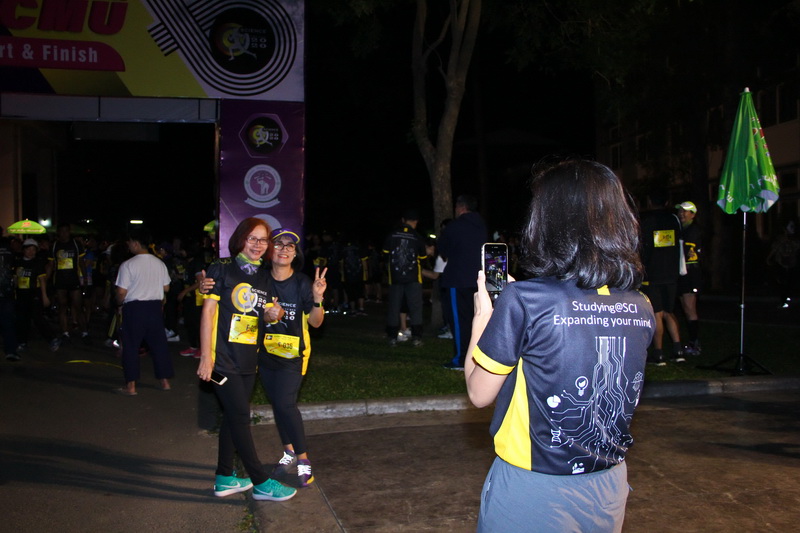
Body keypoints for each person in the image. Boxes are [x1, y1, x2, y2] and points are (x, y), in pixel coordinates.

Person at [465, 159, 655, 532]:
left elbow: (479, 392)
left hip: (533, 489)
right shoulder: (641, 305)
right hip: (609, 484)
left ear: (547, 222)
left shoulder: (525, 300)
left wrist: (482, 317)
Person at [196, 218, 296, 501]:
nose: (258, 244)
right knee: (241, 416)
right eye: (252, 238)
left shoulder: (263, 277)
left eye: (263, 240)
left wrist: (273, 315)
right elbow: (208, 313)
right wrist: (206, 357)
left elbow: (262, 315)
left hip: (248, 360)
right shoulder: (222, 268)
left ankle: (224, 478)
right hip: (221, 360)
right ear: (240, 239)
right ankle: (261, 481)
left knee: (233, 416)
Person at [259, 228, 327, 488]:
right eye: (279, 244)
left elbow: (316, 323)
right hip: (265, 354)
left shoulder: (301, 283)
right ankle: (288, 452)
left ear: (295, 253)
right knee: (277, 405)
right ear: (269, 250)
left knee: (286, 404)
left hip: (293, 355)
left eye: (290, 246)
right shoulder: (260, 281)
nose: (284, 249)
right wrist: (266, 316)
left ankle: (303, 459)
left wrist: (317, 299)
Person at [114, 229, 174, 395]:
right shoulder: (159, 263)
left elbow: (121, 292)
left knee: (131, 346)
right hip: (154, 308)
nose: (128, 246)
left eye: (129, 243)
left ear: (135, 243)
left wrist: (119, 303)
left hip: (135, 308)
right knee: (159, 345)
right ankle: (165, 381)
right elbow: (166, 288)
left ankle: (131, 386)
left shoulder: (128, 265)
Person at [438, 195, 487, 369]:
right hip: (479, 280)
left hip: (457, 279)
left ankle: (461, 359)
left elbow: (443, 250)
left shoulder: (454, 226)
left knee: (459, 322)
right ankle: (478, 358)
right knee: (477, 319)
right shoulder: (482, 226)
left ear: (460, 207)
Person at [640, 190, 685, 365]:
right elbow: (679, 243)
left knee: (657, 313)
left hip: (653, 274)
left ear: (650, 202)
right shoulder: (674, 219)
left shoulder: (646, 221)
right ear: (667, 202)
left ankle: (658, 353)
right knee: (669, 311)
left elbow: (643, 248)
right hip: (671, 273)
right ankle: (678, 350)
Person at [383, 210, 427, 347]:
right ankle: (416, 338)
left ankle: (392, 337)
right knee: (415, 307)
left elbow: (385, 254)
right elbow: (423, 257)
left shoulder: (392, 235)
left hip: (395, 277)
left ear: (403, 220)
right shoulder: (417, 236)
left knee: (394, 307)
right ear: (416, 222)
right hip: (413, 277)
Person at [14, 238, 61, 353]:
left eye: (33, 250)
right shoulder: (18, 262)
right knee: (22, 319)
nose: (31, 252)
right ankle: (22, 342)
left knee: (37, 318)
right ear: (24, 250)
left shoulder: (37, 263)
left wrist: (44, 296)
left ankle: (52, 339)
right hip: (21, 295)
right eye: (28, 249)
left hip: (34, 294)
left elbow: (42, 280)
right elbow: (15, 279)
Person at [48, 222, 89, 344]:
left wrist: (85, 277)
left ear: (69, 232)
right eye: (62, 231)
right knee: (62, 307)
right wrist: (46, 279)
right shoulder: (54, 246)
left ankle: (84, 332)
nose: (64, 234)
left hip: (74, 280)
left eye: (66, 231)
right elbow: (51, 264)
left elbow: (81, 261)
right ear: (58, 232)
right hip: (60, 281)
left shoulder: (76, 244)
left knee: (78, 306)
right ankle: (65, 332)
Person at [676, 201, 702, 355]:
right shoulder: (680, 229)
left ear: (693, 214)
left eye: (685, 211)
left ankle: (695, 343)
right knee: (685, 308)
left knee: (690, 307)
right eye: (680, 211)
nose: (681, 214)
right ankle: (691, 342)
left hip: (691, 274)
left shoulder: (693, 230)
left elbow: (689, 252)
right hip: (682, 273)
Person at [0, 229, 19, 361]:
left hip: (6, 290)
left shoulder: (8, 248)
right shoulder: (8, 248)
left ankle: (11, 350)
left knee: (8, 321)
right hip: (7, 289)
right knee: (8, 321)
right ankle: (11, 351)